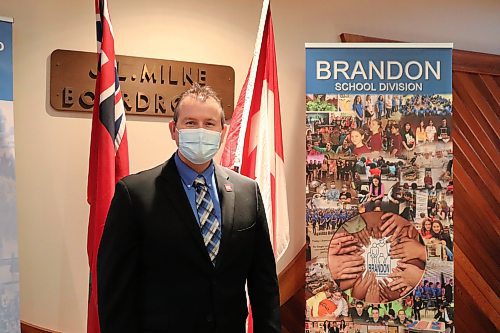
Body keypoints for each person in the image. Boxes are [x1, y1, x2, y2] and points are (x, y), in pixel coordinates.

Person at [97, 84, 280, 332]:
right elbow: (116, 291)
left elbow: (264, 283)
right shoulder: (134, 194)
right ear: (174, 130)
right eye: (191, 123)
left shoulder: (248, 192)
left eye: (209, 123)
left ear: (223, 132)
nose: (200, 130)